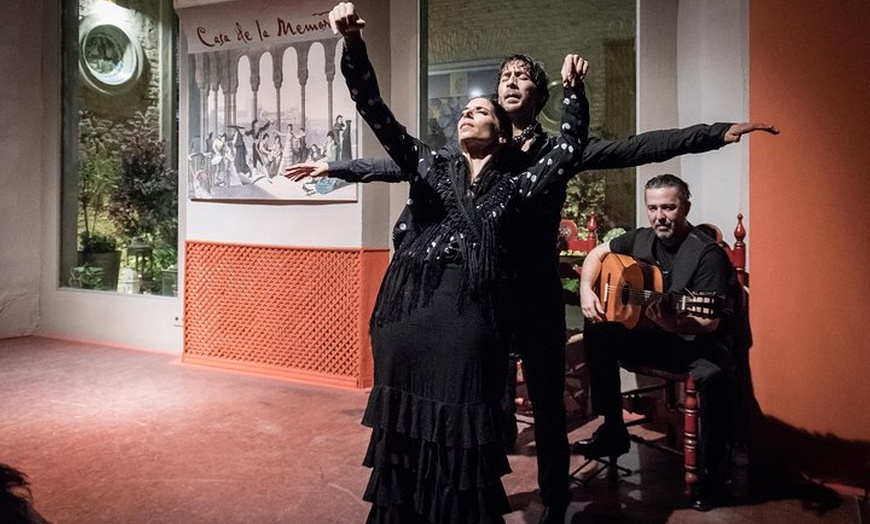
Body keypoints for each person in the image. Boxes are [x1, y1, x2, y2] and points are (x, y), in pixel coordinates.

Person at [307, 47, 778, 522]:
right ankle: (465, 495)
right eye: (504, 76)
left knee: (549, 407)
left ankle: (554, 503)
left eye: (523, 77)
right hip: (480, 299)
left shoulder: (555, 153)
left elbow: (636, 147)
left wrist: (716, 134)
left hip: (533, 296)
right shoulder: (480, 149)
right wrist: (339, 168)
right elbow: (407, 163)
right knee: (480, 403)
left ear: (539, 94)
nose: (510, 82)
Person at [286, 3, 590, 522]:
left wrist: (574, 94)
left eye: (484, 111)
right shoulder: (430, 165)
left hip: (468, 319)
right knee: (402, 430)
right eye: (467, 110)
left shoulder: (518, 183)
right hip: (408, 315)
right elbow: (375, 111)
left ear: (501, 134)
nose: (471, 114)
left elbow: (568, 145)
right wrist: (353, 47)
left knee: (462, 428)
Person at [576, 173, 749, 511]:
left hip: (697, 341)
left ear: (685, 207)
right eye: (653, 208)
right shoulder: (641, 239)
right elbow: (597, 254)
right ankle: (614, 430)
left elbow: (708, 319)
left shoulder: (706, 254)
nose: (660, 216)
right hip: (656, 335)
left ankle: (712, 474)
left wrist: (672, 321)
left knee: (713, 378)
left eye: (668, 207)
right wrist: (586, 290)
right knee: (598, 331)